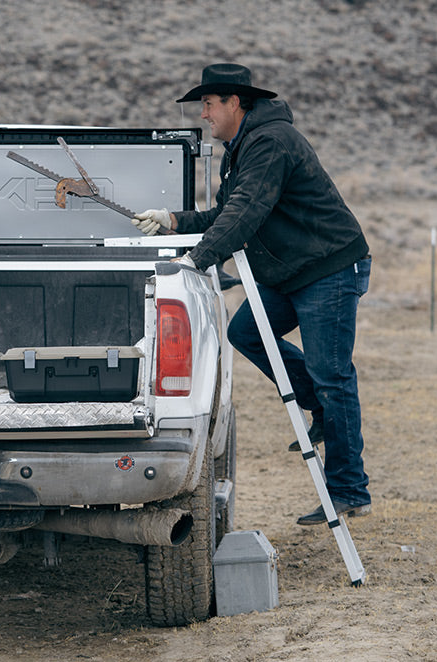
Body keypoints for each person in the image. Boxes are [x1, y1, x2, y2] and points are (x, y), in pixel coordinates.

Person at [133, 63, 372, 526]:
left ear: (234, 103)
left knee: (332, 373)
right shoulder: (242, 147)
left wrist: (197, 260)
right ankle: (319, 404)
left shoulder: (270, 143)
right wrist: (174, 220)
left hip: (329, 267)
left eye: (208, 104)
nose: (202, 113)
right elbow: (227, 211)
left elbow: (247, 212)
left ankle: (349, 489)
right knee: (246, 332)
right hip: (292, 271)